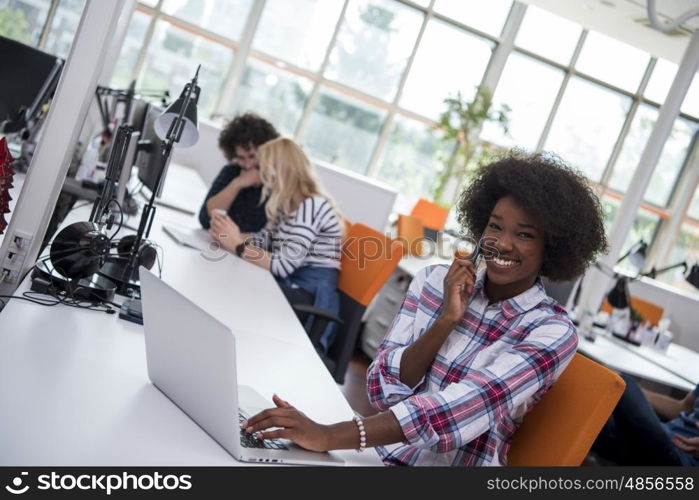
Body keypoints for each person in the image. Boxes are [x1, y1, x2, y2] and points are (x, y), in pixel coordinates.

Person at [238, 151, 609, 466]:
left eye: (525, 234)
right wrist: (446, 320)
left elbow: (455, 412)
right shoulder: (435, 282)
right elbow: (381, 389)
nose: (502, 244)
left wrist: (328, 435)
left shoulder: (552, 332)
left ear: (553, 247)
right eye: (495, 227)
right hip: (381, 456)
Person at [209, 137, 343, 352]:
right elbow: (264, 239)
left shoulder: (312, 206)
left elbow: (283, 265)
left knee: (240, 289)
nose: (258, 174)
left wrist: (236, 244)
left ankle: (227, 350)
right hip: (294, 283)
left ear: (277, 170)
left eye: (261, 167)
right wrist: (229, 233)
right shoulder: (287, 205)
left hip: (310, 295)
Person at [592, 374, 699, 466]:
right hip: (664, 434)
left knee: (623, 382)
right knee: (589, 422)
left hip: (682, 459)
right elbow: (684, 407)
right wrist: (639, 395)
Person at [198, 113, 279, 232]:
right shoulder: (231, 171)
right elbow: (205, 219)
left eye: (252, 156)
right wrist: (237, 184)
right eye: (241, 158)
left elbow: (266, 237)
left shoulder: (279, 183)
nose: (247, 164)